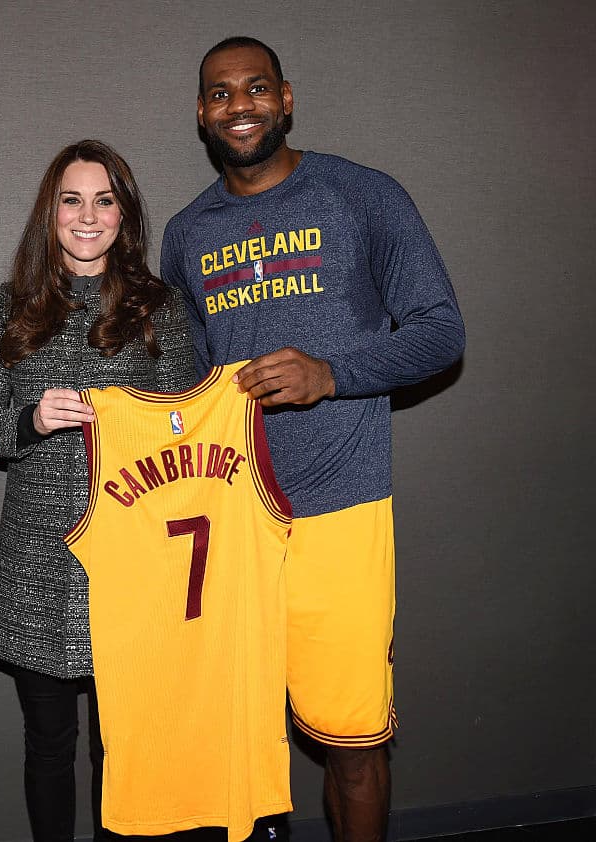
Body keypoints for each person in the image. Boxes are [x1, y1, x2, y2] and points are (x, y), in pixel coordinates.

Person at [161, 37, 466, 842]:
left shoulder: (362, 196)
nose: (240, 105)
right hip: (233, 526)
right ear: (201, 113)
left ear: (286, 98)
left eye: (256, 88)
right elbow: (189, 384)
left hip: (341, 511)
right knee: (240, 749)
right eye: (221, 94)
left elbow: (442, 333)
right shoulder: (188, 233)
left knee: (352, 746)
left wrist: (332, 373)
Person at [0, 139, 196, 842]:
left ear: (123, 215)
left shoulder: (160, 306)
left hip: (131, 560)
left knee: (119, 748)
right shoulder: (15, 303)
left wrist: (146, 423)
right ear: (50, 212)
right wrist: (30, 421)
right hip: (36, 564)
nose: (87, 216)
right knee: (48, 747)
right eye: (72, 200)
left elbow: (188, 428)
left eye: (104, 200)